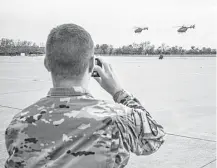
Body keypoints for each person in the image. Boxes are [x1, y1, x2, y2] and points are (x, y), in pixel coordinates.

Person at [5, 24, 165, 168]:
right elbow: (154, 138)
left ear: (47, 63)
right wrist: (119, 92)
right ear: (91, 65)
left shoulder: (18, 125)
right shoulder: (117, 119)